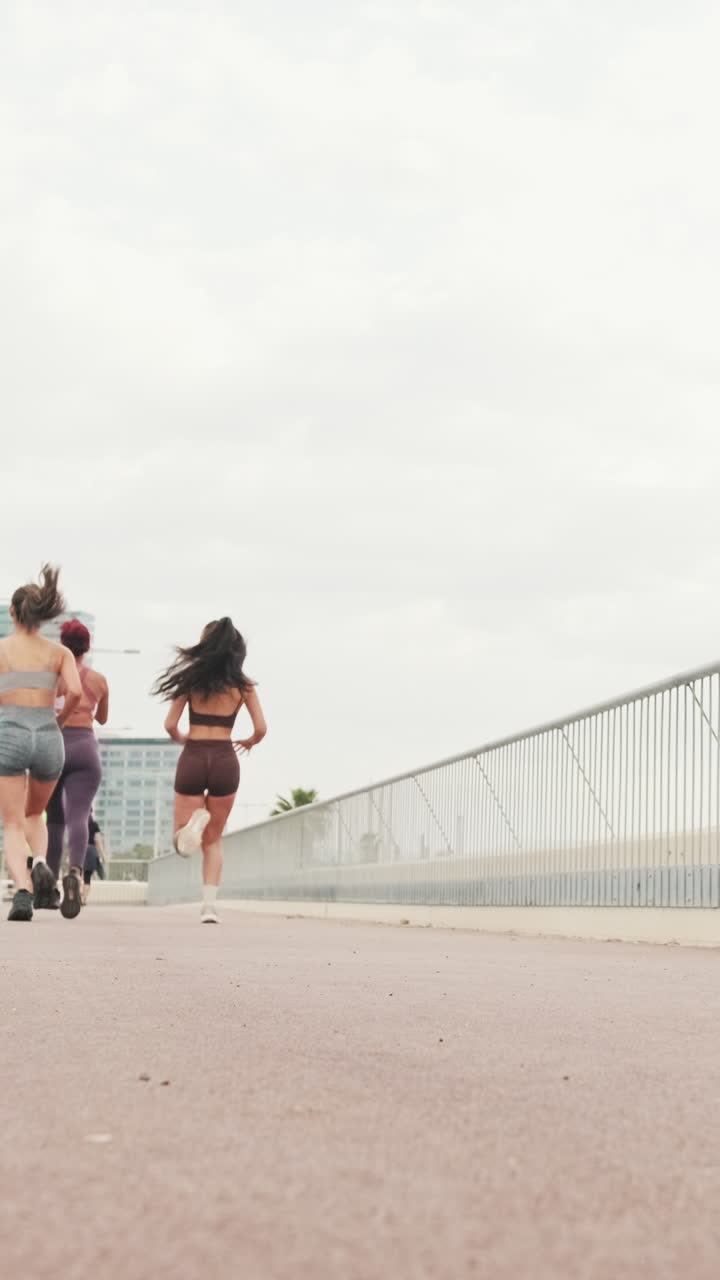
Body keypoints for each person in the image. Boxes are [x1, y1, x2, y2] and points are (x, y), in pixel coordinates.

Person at [153, 617, 267, 923]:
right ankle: (209, 907)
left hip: (194, 756)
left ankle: (187, 833)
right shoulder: (244, 686)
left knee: (182, 839)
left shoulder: (191, 681)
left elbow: (169, 725)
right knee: (214, 840)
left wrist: (182, 739)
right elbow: (261, 728)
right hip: (224, 759)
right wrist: (251, 742)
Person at [0, 565, 82, 921]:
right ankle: (42, 863)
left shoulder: (2, 650)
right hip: (49, 735)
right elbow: (75, 692)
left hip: (11, 734)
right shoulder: (60, 653)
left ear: (13, 613)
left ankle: (22, 890)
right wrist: (59, 721)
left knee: (14, 822)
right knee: (37, 814)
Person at [44, 620, 109, 919]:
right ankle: (75, 872)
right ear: (88, 647)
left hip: (55, 744)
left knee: (54, 821)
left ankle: (49, 887)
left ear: (61, 644)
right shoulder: (98, 680)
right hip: (85, 746)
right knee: (79, 815)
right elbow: (104, 719)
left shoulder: (52, 679)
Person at [82, 811, 106, 904]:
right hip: (91, 851)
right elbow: (98, 840)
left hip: (79, 850)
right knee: (87, 877)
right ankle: (83, 899)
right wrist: (103, 856)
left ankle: (77, 896)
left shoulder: (77, 822)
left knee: (77, 873)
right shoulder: (94, 824)